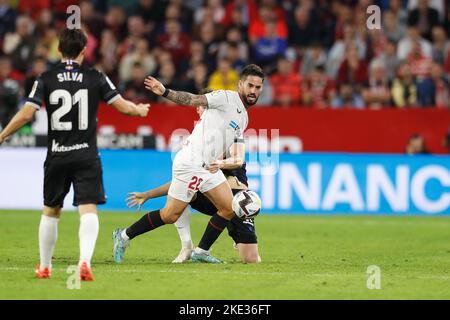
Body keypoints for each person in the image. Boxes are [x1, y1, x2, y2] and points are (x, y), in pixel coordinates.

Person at [0, 28, 150, 280]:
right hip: (86, 155)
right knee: (88, 209)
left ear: (58, 50)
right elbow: (123, 107)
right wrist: (139, 110)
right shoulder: (95, 76)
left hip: (57, 154)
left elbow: (27, 114)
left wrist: (3, 135)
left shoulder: (46, 77)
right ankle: (84, 263)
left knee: (51, 210)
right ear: (84, 51)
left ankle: (45, 267)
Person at [112, 64, 265, 264]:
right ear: (240, 84)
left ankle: (200, 251)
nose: (253, 91)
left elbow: (237, 154)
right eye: (250, 85)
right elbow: (194, 99)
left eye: (258, 87)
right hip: (191, 163)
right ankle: (123, 236)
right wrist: (165, 92)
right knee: (169, 215)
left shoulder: (243, 117)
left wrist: (221, 162)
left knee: (229, 208)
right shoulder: (226, 97)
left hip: (209, 166)